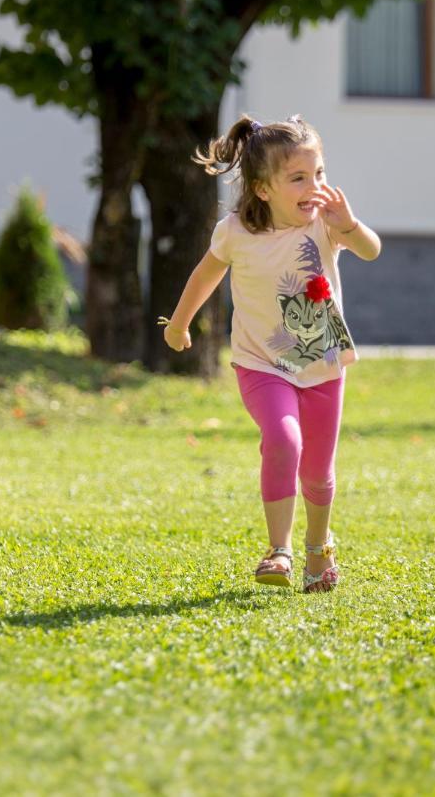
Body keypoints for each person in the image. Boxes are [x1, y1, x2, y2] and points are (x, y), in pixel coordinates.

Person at [160, 115, 381, 592]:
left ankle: (318, 550)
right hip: (261, 364)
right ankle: (278, 550)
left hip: (321, 365)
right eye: (299, 178)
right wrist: (178, 324)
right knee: (284, 441)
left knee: (319, 473)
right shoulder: (235, 231)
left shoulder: (326, 224)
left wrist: (351, 225)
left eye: (318, 173)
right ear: (262, 189)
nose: (315, 186)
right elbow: (204, 276)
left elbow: (371, 250)